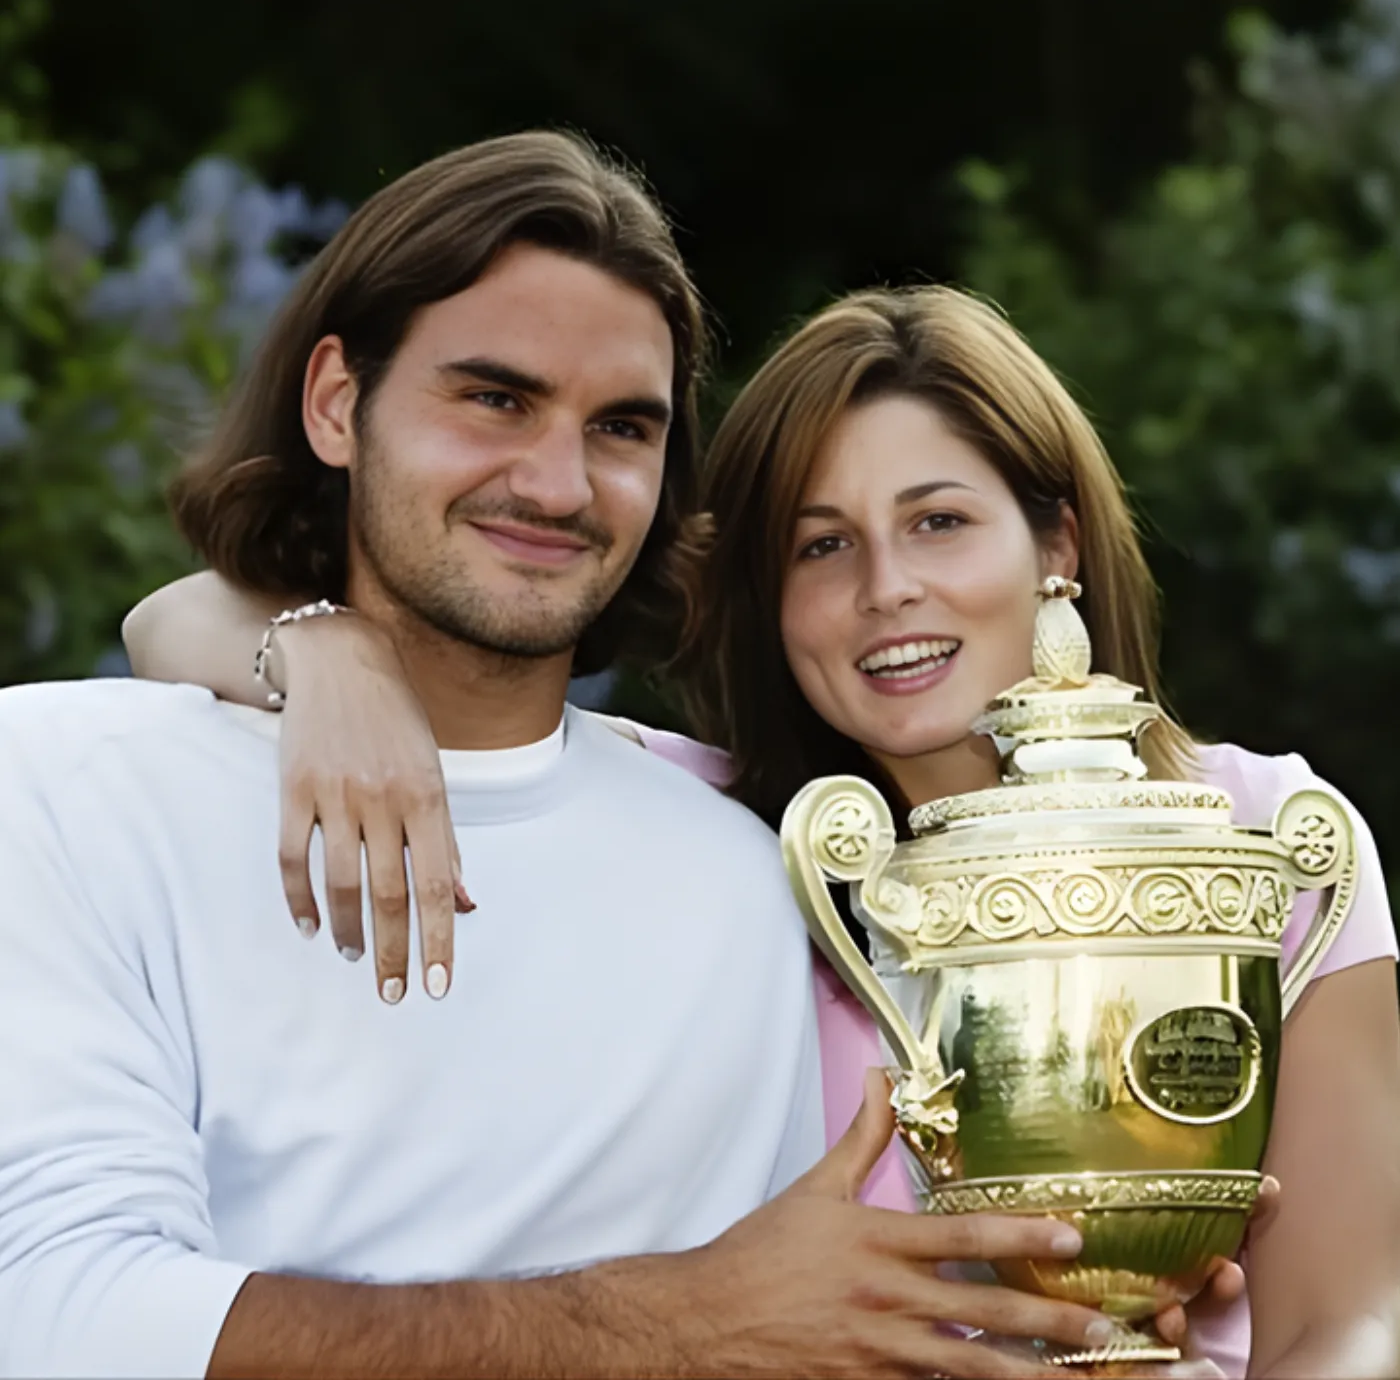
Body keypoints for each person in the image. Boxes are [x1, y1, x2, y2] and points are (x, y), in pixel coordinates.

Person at [0, 132, 1154, 1380]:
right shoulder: (65, 786)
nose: (556, 484)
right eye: (494, 398)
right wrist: (673, 1323)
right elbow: (54, 1319)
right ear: (336, 402)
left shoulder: (753, 876)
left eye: (619, 426)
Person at [129, 282, 1400, 1378]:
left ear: (1053, 539)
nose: (885, 588)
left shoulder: (1263, 836)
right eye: (820, 545)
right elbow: (167, 622)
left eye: (938, 521)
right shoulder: (708, 834)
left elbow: (1346, 1319)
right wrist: (334, 655)